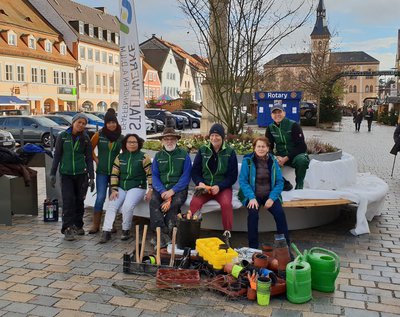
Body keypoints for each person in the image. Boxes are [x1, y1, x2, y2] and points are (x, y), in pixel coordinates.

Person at [100, 134, 152, 243]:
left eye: (134, 142)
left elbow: (150, 175)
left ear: (139, 144)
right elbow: (114, 174)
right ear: (125, 144)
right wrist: (114, 189)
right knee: (112, 204)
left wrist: (150, 190)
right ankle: (106, 231)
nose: (132, 144)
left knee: (127, 205)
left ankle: (126, 230)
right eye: (129, 142)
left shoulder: (144, 157)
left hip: (137, 187)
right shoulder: (120, 157)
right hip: (121, 187)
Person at [50, 113, 94, 241]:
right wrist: (52, 173)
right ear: (73, 122)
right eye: (79, 122)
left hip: (81, 174)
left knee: (79, 201)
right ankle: (68, 228)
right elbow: (57, 155)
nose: (81, 125)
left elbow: (89, 158)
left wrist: (91, 177)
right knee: (68, 201)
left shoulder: (85, 138)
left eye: (84, 123)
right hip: (66, 174)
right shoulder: (63, 137)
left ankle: (78, 225)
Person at [239, 136, 289, 248]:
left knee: (280, 214)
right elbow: (243, 181)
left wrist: (272, 198)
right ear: (254, 148)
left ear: (268, 148)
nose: (261, 149)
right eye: (258, 146)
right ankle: (253, 248)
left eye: (263, 146)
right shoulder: (248, 161)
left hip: (269, 195)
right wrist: (251, 197)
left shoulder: (273, 161)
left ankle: (285, 246)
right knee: (253, 215)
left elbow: (279, 182)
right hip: (252, 195)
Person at [190, 123, 238, 239]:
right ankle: (191, 230)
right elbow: (195, 171)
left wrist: (220, 186)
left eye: (217, 135)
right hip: (204, 187)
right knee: (195, 203)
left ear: (222, 137)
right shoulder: (203, 150)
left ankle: (227, 232)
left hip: (222, 188)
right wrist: (200, 183)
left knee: (226, 204)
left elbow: (232, 176)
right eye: (212, 135)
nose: (214, 138)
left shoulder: (230, 152)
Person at [150, 128, 192, 247]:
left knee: (175, 203)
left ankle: (162, 236)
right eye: (166, 139)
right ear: (162, 141)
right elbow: (154, 176)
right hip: (161, 188)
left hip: (179, 189)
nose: (169, 141)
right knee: (153, 201)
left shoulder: (184, 155)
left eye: (172, 139)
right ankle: (163, 233)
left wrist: (172, 191)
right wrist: (163, 191)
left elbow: (186, 176)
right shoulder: (158, 156)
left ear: (176, 140)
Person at [89, 109, 123, 234]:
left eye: (113, 122)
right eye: (109, 123)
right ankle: (95, 225)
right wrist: (96, 159)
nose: (111, 125)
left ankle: (110, 224)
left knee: (113, 198)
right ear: (105, 124)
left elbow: (125, 154)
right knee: (101, 197)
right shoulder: (99, 134)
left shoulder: (120, 137)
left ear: (116, 122)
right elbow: (90, 149)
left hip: (115, 173)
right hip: (102, 172)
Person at [265, 104, 309, 189]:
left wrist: (286, 158)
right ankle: (284, 184)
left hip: (295, 156)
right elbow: (268, 147)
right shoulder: (270, 128)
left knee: (302, 160)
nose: (277, 115)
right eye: (274, 113)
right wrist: (275, 157)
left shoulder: (293, 125)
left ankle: (299, 186)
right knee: (266, 160)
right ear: (271, 115)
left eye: (279, 112)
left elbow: (302, 147)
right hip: (280, 156)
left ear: (284, 113)